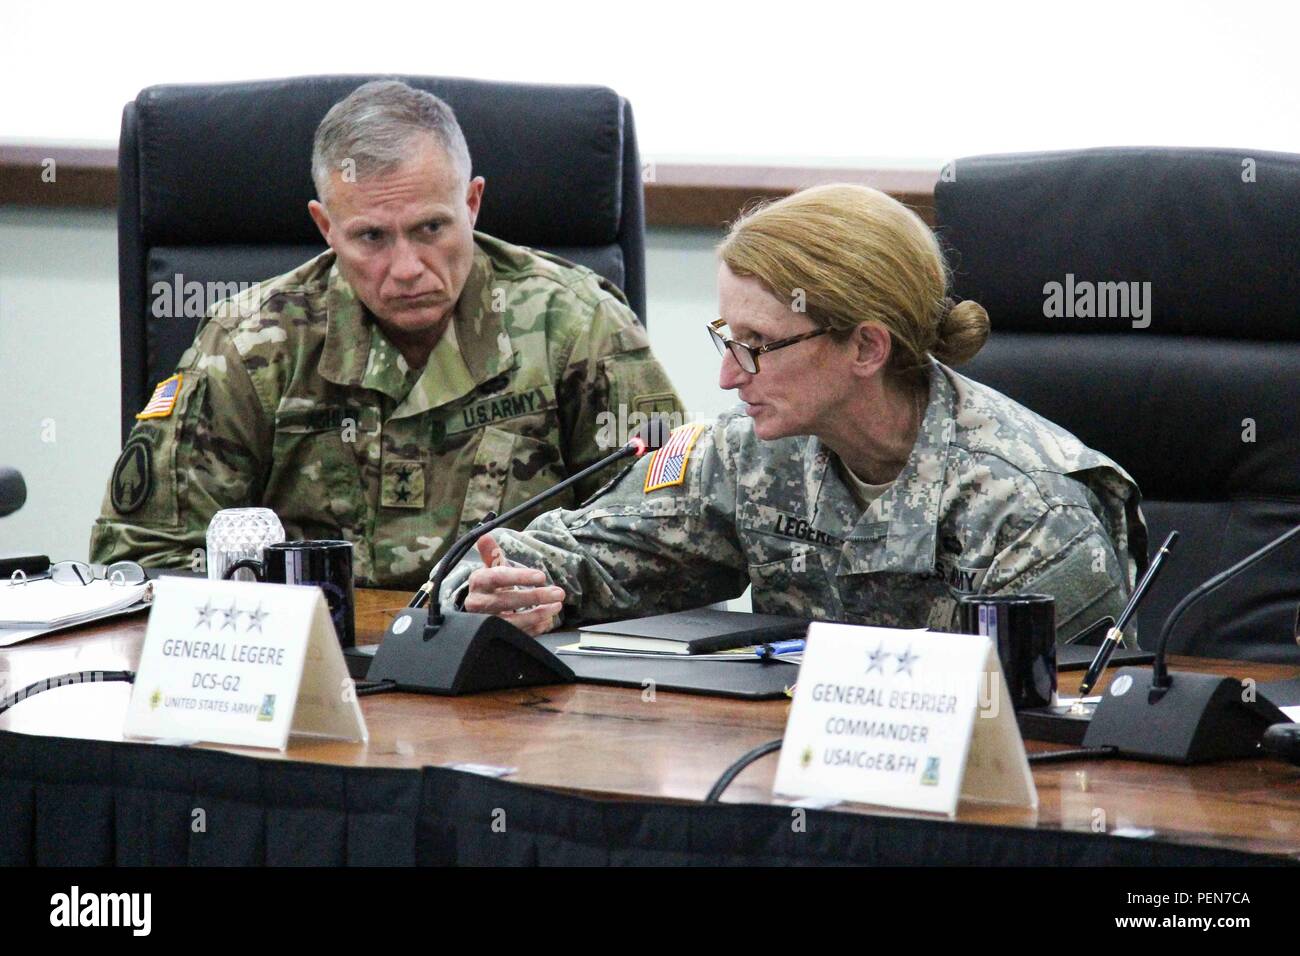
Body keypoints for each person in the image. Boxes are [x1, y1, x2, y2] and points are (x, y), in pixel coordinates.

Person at [444, 183, 1149, 643]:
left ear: (867, 347)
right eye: (727, 339)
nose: (726, 376)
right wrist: (508, 587)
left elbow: (1070, 730)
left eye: (758, 346)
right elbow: (586, 554)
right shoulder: (746, 452)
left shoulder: (1024, 506)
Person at [90, 80, 683, 588]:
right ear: (326, 227)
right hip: (317, 672)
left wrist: (552, 586)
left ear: (472, 204)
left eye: (431, 228)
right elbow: (139, 557)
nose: (406, 268)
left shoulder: (575, 323)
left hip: (523, 671)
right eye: (372, 237)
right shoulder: (252, 346)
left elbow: (675, 533)